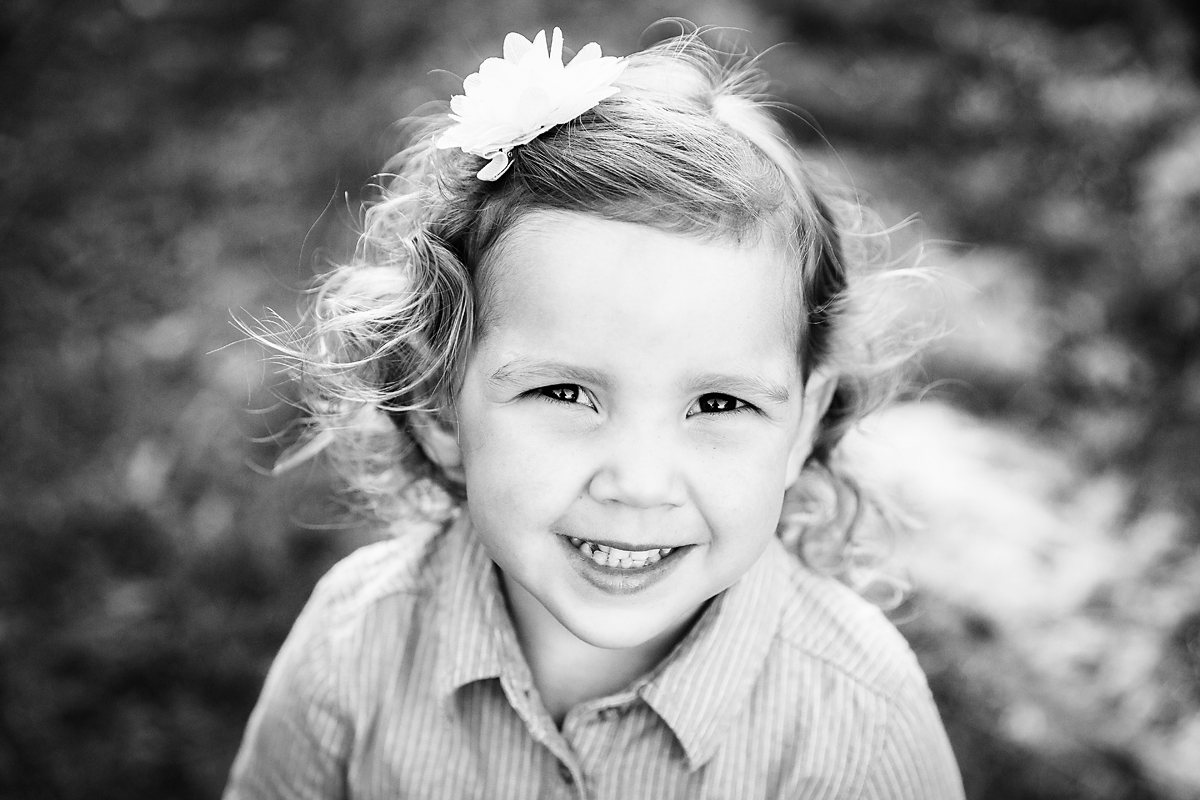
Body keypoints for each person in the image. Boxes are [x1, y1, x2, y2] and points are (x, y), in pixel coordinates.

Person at [224, 26, 965, 800]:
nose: (639, 483)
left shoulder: (862, 723)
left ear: (801, 428)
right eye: (567, 393)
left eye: (719, 402)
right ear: (442, 406)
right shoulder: (354, 643)